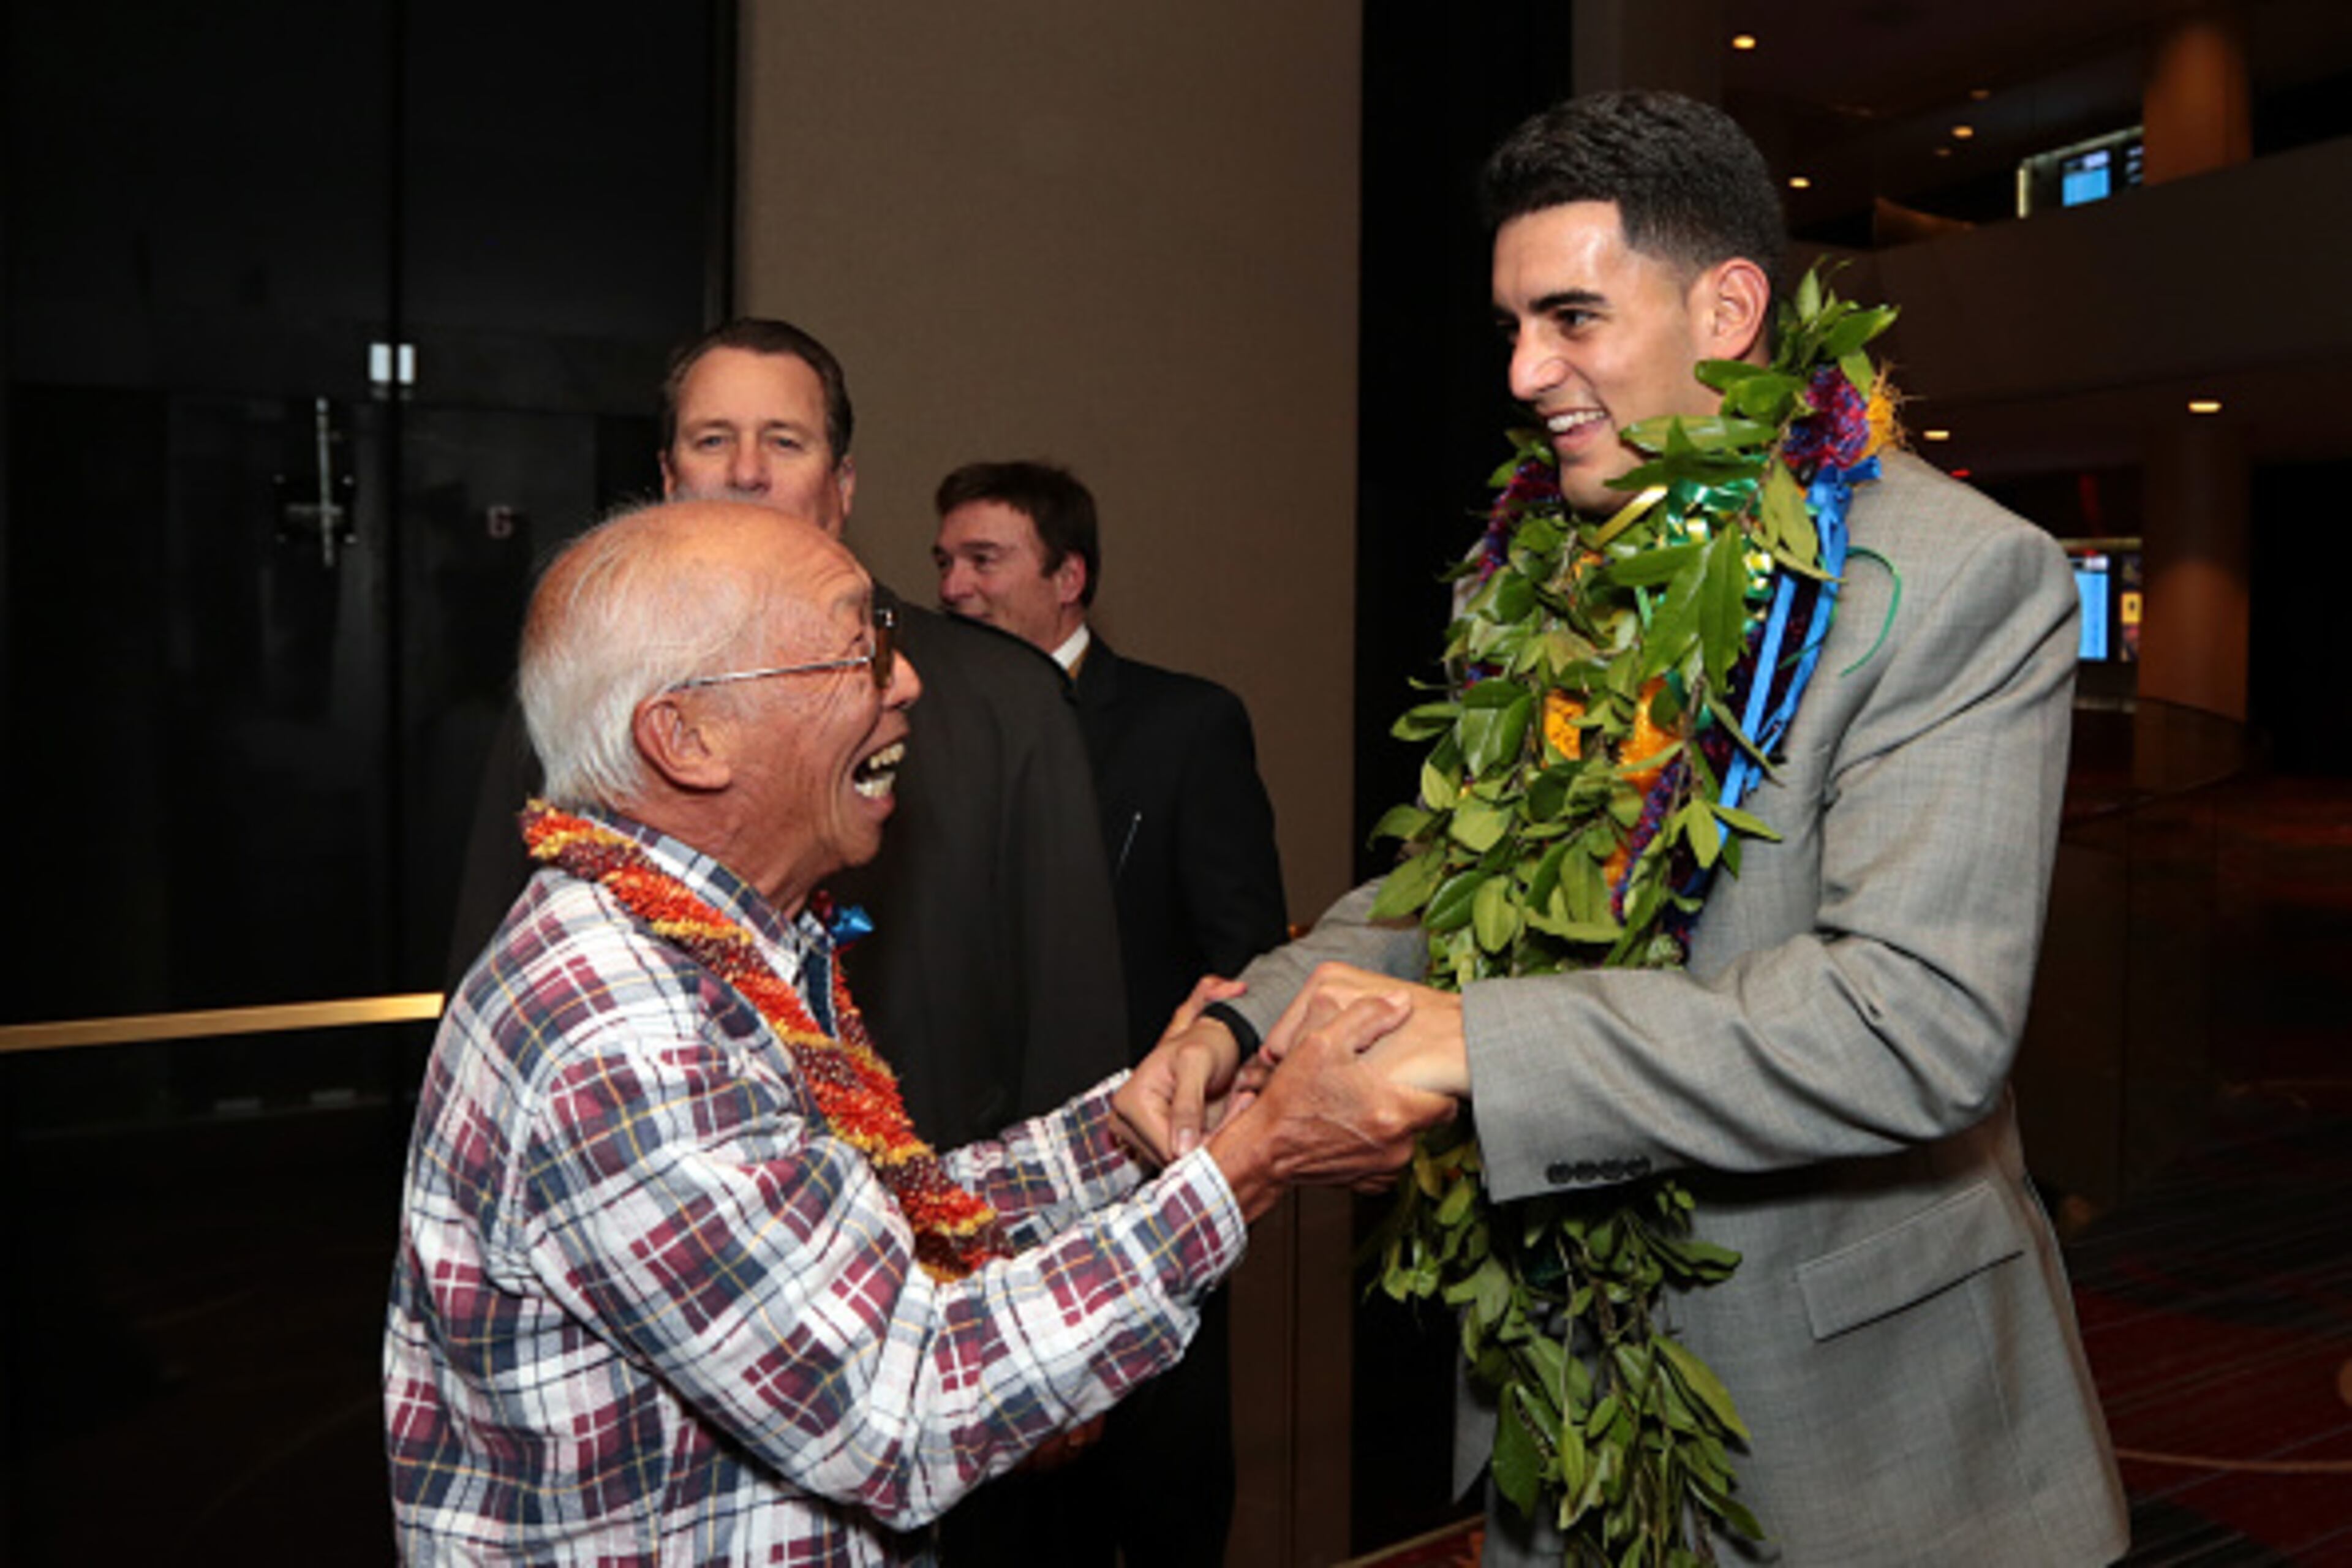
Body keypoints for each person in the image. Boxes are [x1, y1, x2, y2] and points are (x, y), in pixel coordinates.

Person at [1121, 91, 2131, 1565]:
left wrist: (1477, 1042)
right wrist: (1246, 1016)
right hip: (1568, 1414)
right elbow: (1448, 887)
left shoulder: (1956, 577)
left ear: (1727, 309)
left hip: (1863, 1441)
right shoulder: (1536, 576)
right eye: (1513, 326)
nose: (1526, 371)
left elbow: (1913, 1021)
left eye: (1573, 317)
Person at [385, 498, 1455, 1565]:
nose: (906, 682)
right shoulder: (622, 1029)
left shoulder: (719, 947)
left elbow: (868, 1228)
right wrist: (1250, 1165)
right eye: (856, 652)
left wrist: (1148, 1127)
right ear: (688, 739)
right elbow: (903, 1402)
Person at [445, 318, 1126, 1150]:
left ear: (843, 486)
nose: (746, 472)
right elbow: (495, 980)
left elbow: (1069, 1015)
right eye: (712, 440)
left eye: (785, 441)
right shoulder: (581, 696)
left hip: (957, 1193)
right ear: (668, 480)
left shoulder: (1003, 699)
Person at [931, 461, 1287, 1566]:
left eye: (984, 560)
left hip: (1138, 1177)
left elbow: (1244, 961)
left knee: (1159, 1501)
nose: (953, 587)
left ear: (1069, 576)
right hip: (974, 1195)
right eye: (944, 562)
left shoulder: (1185, 726)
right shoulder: (918, 726)